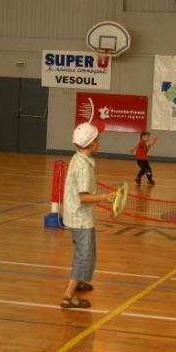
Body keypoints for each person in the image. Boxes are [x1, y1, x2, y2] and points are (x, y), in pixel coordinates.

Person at [61, 122, 114, 309]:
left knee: (84, 251)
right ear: (91, 144)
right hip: (81, 218)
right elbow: (83, 197)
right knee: (84, 255)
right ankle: (68, 295)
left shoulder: (77, 158)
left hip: (74, 215)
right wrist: (106, 197)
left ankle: (80, 280)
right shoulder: (83, 167)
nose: (99, 141)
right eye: (97, 139)